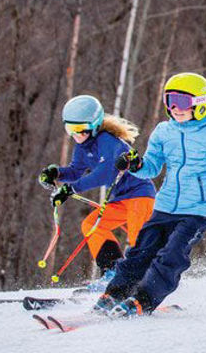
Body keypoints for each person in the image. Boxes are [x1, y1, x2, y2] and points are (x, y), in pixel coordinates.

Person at [93, 72, 206, 317]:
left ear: (201, 103)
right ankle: (115, 293)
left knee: (172, 254)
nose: (175, 108)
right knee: (141, 251)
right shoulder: (164, 131)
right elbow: (151, 167)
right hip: (165, 207)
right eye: (170, 100)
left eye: (182, 102)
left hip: (196, 210)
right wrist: (134, 164)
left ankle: (144, 299)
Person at [39, 95, 156, 290]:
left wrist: (72, 188)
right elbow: (75, 171)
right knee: (92, 224)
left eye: (79, 129)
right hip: (121, 199)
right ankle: (112, 271)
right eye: (70, 129)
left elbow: (106, 173)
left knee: (137, 240)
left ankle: (146, 284)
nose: (76, 135)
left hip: (140, 195)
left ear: (94, 125)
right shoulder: (83, 147)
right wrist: (57, 173)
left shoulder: (107, 141)